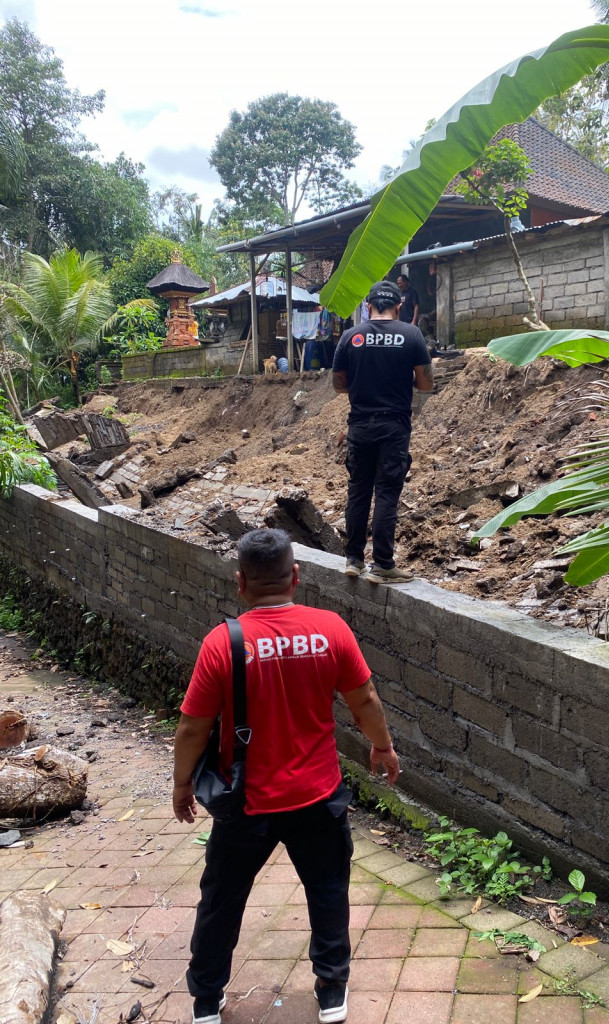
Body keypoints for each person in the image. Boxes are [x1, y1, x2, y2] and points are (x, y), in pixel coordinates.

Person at [173, 528, 400, 1024]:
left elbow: (193, 726)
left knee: (221, 900)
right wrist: (382, 747)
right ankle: (332, 991)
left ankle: (207, 1001)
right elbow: (364, 701)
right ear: (296, 576)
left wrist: (182, 782)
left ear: (240, 583)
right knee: (327, 890)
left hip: (245, 802)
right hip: (318, 797)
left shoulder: (223, 643)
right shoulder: (330, 630)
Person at [332, 280, 433, 584]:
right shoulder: (412, 334)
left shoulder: (350, 337)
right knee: (387, 491)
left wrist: (364, 384)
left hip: (360, 425)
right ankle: (383, 565)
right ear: (399, 307)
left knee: (358, 489)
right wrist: (403, 382)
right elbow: (427, 384)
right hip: (394, 425)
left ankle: (353, 560)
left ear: (368, 306)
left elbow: (338, 385)